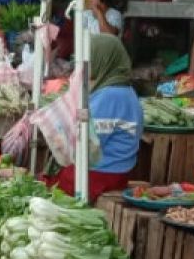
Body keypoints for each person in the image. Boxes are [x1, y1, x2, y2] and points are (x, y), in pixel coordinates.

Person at [51, 34, 143, 203]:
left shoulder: (112, 95)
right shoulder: (122, 90)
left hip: (102, 174)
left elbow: (88, 143)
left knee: (54, 187)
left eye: (89, 60)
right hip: (112, 171)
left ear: (103, 60)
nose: (84, 67)